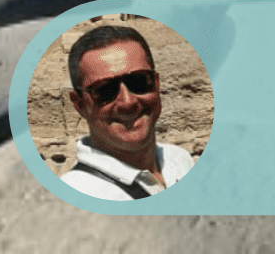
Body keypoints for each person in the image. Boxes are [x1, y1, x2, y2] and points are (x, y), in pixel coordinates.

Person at [61, 24, 195, 200]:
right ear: (79, 105)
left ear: (156, 83)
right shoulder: (78, 192)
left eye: (139, 81)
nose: (127, 102)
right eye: (105, 90)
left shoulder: (179, 160)